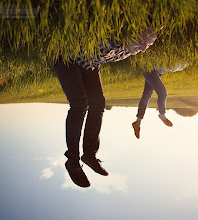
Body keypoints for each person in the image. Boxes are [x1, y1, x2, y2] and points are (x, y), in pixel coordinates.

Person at [54, 28, 157, 188]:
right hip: (68, 60)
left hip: (89, 64)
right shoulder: (114, 42)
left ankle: (89, 154)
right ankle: (72, 161)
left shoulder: (130, 48)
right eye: (142, 42)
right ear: (130, 34)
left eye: (148, 45)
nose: (144, 48)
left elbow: (96, 60)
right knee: (80, 104)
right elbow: (86, 49)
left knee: (98, 105)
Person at [132, 63, 189, 139]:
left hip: (156, 72)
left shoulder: (184, 61)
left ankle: (138, 121)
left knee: (146, 95)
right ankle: (162, 115)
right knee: (162, 93)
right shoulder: (182, 60)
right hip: (151, 69)